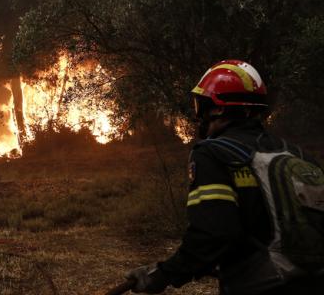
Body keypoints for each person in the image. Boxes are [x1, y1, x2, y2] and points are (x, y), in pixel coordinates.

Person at [126, 60, 324, 294]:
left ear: (218, 108)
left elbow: (214, 234)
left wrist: (162, 273)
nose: (199, 116)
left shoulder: (213, 154)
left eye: (202, 105)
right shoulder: (298, 154)